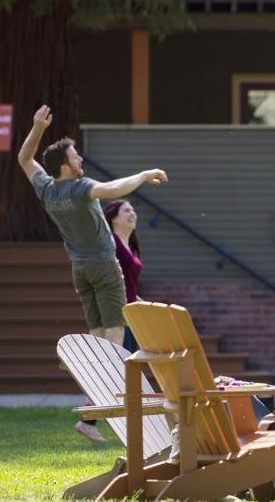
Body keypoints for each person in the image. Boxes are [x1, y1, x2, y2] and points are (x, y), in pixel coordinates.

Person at [17, 104, 168, 443]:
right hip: (102, 266)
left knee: (100, 334)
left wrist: (36, 128)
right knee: (115, 343)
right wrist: (145, 175)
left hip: (80, 270)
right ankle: (113, 402)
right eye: (76, 157)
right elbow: (114, 190)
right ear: (65, 166)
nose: (80, 160)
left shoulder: (47, 188)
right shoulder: (80, 187)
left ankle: (86, 370)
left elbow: (25, 160)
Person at [103, 200, 143, 353]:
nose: (132, 213)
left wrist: (140, 301)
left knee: (131, 360)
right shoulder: (111, 243)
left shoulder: (130, 246)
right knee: (121, 360)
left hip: (132, 315)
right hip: (118, 312)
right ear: (114, 219)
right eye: (126, 210)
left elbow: (129, 283)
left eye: (133, 210)